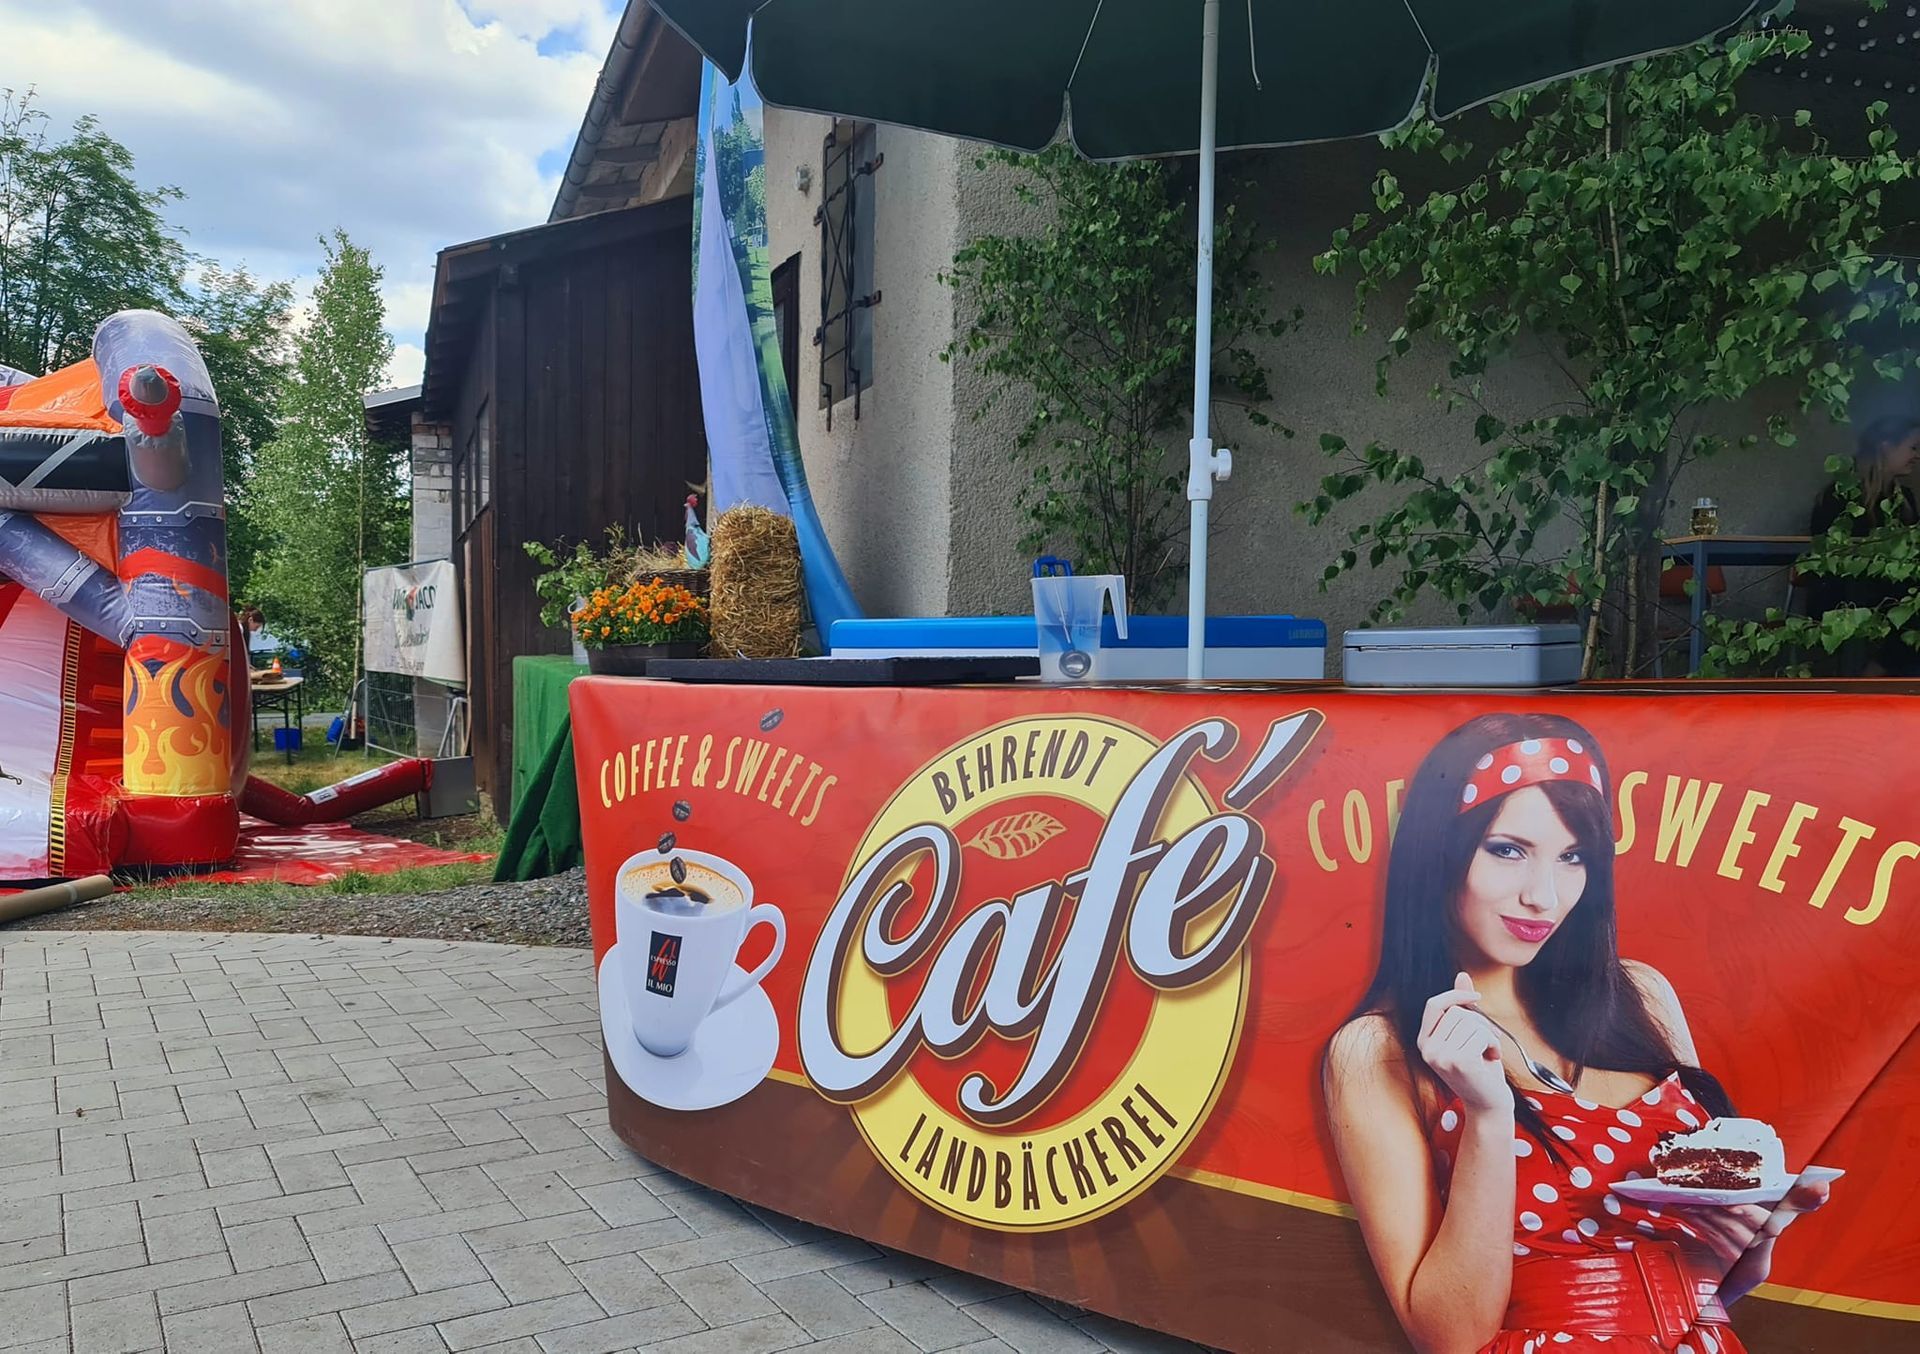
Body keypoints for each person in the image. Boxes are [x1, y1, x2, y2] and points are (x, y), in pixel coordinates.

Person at [1323, 713, 1832, 1354]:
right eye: (1508, 850)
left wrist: (1750, 1249)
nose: (1544, 895)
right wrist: (1488, 1115)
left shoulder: (1640, 995)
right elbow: (1449, 1338)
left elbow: (1692, 1293)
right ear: (1439, 853)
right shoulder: (1380, 1050)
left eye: (1573, 858)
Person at [1804, 415, 1920, 676]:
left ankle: (1886, 674)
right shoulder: (1841, 496)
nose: (1917, 456)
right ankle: (1876, 674)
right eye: (1913, 447)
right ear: (1886, 447)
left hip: (1891, 592)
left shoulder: (1905, 498)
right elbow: (1836, 557)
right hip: (1844, 594)